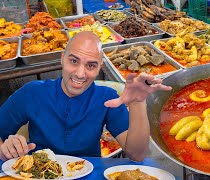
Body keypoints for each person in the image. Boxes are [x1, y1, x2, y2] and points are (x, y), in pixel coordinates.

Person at [0, 31, 172, 162]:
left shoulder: (108, 98)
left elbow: (137, 154)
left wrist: (138, 102)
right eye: (73, 61)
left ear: (100, 68)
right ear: (62, 58)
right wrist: (4, 149)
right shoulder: (31, 93)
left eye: (91, 65)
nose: (80, 74)